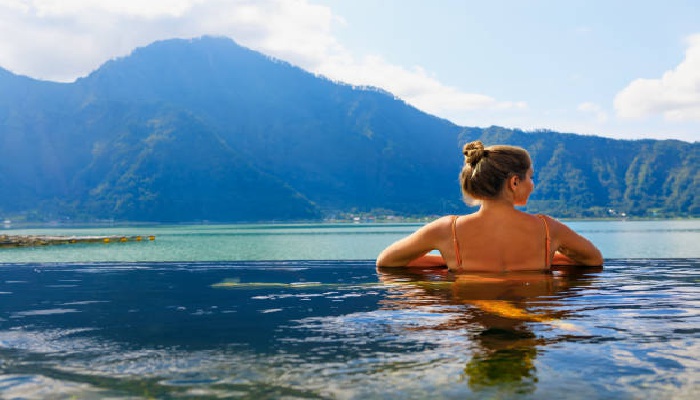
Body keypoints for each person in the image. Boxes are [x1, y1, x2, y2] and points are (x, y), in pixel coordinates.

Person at [376, 140, 603, 272]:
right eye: (530, 178)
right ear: (514, 182)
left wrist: (446, 261)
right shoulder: (547, 229)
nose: (532, 185)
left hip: (474, 317)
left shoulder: (447, 230)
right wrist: (548, 257)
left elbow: (386, 262)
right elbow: (593, 260)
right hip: (531, 314)